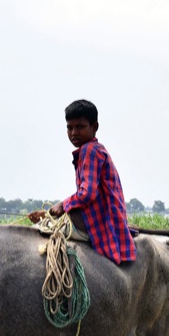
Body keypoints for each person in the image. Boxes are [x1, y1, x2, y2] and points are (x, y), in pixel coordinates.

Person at [28, 99, 137, 265]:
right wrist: (53, 212)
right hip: (103, 215)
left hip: (100, 220)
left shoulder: (90, 151)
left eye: (80, 127)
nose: (74, 133)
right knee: (47, 222)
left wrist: (63, 205)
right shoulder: (94, 149)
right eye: (69, 127)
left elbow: (87, 194)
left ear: (94, 127)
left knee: (38, 231)